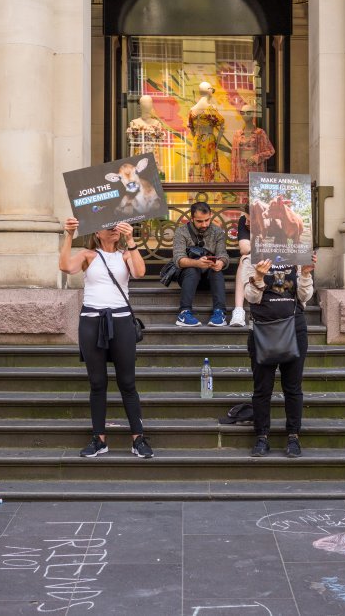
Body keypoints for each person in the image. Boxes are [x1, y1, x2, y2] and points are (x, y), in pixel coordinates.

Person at [59, 217, 154, 459]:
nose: (112, 228)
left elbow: (140, 272)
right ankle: (99, 440)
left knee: (127, 382)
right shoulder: (87, 255)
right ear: (97, 232)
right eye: (107, 225)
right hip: (92, 320)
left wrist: (132, 240)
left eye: (116, 224)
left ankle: (138, 438)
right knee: (97, 383)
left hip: (121, 321)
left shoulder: (124, 254)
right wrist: (69, 235)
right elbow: (65, 267)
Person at [242, 252, 317, 457]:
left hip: (294, 329)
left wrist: (305, 273)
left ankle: (293, 437)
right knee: (262, 388)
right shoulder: (251, 258)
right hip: (263, 331)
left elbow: (304, 297)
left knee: (293, 387)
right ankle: (261, 437)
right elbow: (251, 297)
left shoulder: (297, 257)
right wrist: (258, 277)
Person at [173, 202, 229, 327]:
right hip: (188, 278)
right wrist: (197, 263)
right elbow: (178, 259)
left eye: (207, 220)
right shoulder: (181, 231)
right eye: (199, 221)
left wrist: (220, 263)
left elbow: (223, 255)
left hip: (210, 279)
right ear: (191, 218)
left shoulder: (217, 231)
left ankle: (219, 313)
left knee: (217, 270)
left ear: (211, 215)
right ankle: (184, 313)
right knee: (192, 269)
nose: (204, 224)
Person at [188, 82, 224, 182]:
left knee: (197, 165)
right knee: (209, 164)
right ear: (209, 90)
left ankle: (196, 193)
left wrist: (197, 137)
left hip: (197, 141)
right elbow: (222, 125)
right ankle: (211, 193)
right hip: (209, 141)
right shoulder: (212, 109)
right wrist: (217, 143)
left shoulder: (192, 110)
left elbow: (191, 128)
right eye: (212, 90)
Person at [231, 105, 275, 182]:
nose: (245, 115)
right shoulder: (237, 134)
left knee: (254, 190)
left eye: (248, 113)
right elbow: (234, 156)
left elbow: (270, 150)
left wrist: (256, 158)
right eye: (242, 112)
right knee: (242, 192)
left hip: (255, 168)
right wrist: (233, 176)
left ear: (253, 114)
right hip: (241, 169)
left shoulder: (260, 133)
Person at [126, 94, 165, 178]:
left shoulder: (156, 124)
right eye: (144, 103)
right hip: (138, 159)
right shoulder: (135, 123)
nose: (146, 105)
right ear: (140, 106)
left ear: (151, 105)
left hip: (153, 159)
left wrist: (161, 165)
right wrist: (131, 163)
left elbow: (160, 146)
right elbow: (132, 146)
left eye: (149, 103)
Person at [229, 204, 250, 327]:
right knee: (244, 259)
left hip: (278, 259)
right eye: (246, 218)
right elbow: (244, 249)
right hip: (256, 257)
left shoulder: (277, 222)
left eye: (250, 220)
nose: (247, 222)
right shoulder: (243, 220)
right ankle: (238, 310)